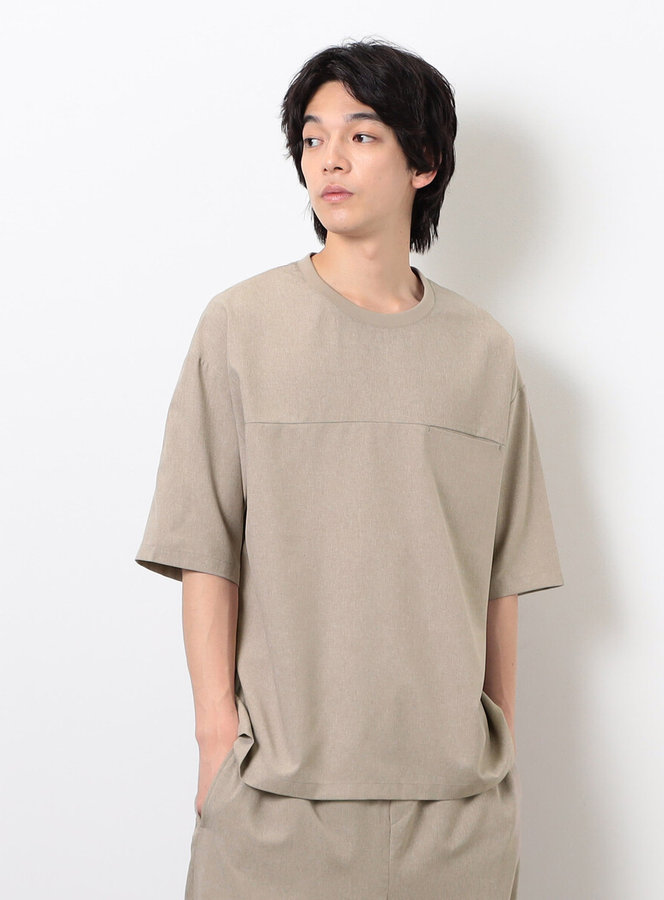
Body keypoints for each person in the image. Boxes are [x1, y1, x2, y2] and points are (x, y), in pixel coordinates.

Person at [135, 37, 564, 900]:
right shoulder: (241, 326)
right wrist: (216, 746)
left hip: (455, 815)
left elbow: (500, 575)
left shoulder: (483, 351)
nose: (328, 158)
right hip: (276, 805)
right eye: (312, 137)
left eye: (361, 135)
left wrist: (499, 753)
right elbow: (204, 549)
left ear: (424, 163)